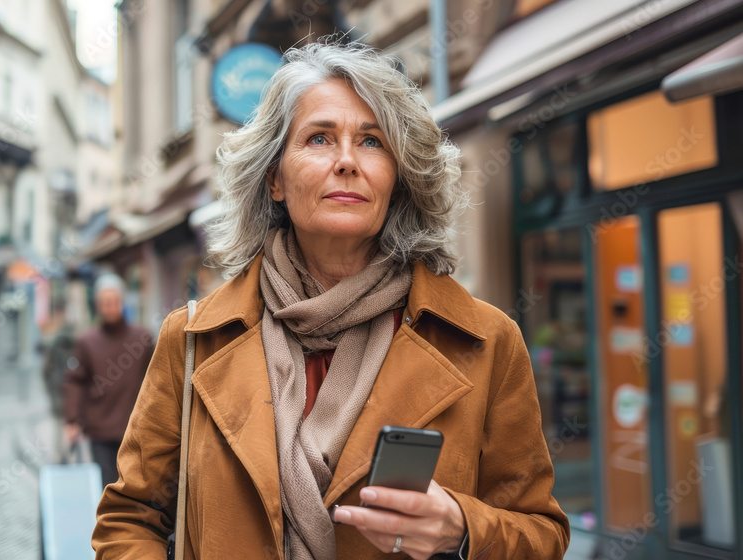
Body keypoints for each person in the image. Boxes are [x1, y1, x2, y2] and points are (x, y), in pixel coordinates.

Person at [93, 40, 570, 559]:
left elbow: (542, 534)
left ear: (400, 176)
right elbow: (128, 518)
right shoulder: (192, 340)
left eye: (372, 142)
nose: (346, 161)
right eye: (319, 138)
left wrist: (462, 529)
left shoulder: (487, 342)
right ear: (274, 178)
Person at [62, 274, 154, 488]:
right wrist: (72, 419)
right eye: (105, 303)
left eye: (114, 302)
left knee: (134, 489)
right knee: (108, 489)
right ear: (98, 306)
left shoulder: (143, 339)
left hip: (134, 430)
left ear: (122, 303)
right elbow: (74, 381)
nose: (110, 307)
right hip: (100, 430)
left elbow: (156, 380)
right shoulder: (87, 342)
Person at [42, 304, 76, 463]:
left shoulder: (58, 346)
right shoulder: (72, 346)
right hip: (65, 397)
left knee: (62, 429)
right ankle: (67, 457)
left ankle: (62, 457)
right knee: (66, 430)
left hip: (63, 397)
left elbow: (46, 372)